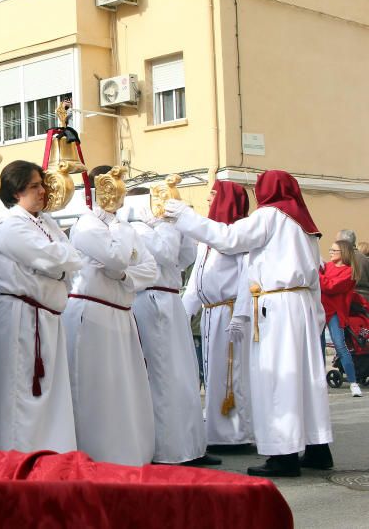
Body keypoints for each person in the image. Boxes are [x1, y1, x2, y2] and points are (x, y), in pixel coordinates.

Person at [166, 170, 333, 477]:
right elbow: (314, 280)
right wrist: (317, 316)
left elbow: (229, 239)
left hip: (277, 306)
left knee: (278, 379)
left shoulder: (270, 215)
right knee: (305, 379)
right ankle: (318, 448)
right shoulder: (305, 225)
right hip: (303, 306)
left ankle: (283, 456)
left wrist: (184, 216)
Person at [62, 166, 158, 466]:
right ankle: (97, 454)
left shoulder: (123, 227)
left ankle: (128, 452)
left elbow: (150, 268)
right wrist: (122, 244)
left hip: (122, 313)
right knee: (97, 387)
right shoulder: (86, 226)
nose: (118, 195)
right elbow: (116, 259)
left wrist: (126, 275)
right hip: (93, 313)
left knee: (125, 386)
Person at [0, 160, 82, 453]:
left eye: (41, 184)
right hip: (21, 317)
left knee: (51, 392)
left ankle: (52, 455)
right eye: (35, 186)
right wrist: (58, 267)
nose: (43, 191)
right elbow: (51, 258)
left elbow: (71, 258)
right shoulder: (9, 225)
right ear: (16, 192)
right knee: (22, 394)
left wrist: (58, 267)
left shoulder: (46, 222)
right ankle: (20, 458)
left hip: (46, 316)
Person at [129, 202, 217, 466]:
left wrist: (178, 227)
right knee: (164, 377)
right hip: (152, 298)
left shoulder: (158, 228)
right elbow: (166, 254)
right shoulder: (136, 228)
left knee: (185, 374)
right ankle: (169, 450)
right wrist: (163, 226)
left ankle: (191, 444)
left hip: (170, 299)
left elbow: (185, 256)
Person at [182, 181, 254, 450]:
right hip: (211, 313)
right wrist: (183, 314)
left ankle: (235, 434)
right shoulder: (208, 240)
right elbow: (196, 282)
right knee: (213, 372)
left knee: (231, 373)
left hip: (230, 311)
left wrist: (242, 314)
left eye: (213, 194)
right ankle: (216, 430)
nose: (209, 198)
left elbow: (248, 276)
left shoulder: (238, 236)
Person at [322, 239, 362, 397]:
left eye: (334, 250)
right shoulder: (326, 267)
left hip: (335, 313)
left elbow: (330, 287)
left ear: (343, 253)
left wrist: (316, 275)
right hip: (320, 310)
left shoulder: (348, 272)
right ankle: (319, 384)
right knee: (318, 347)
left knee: (340, 346)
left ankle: (353, 383)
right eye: (330, 250)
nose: (330, 252)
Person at [337, 230, 369, 301]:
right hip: (365, 300)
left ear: (342, 242)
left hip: (351, 301)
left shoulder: (342, 259)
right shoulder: (364, 259)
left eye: (337, 241)